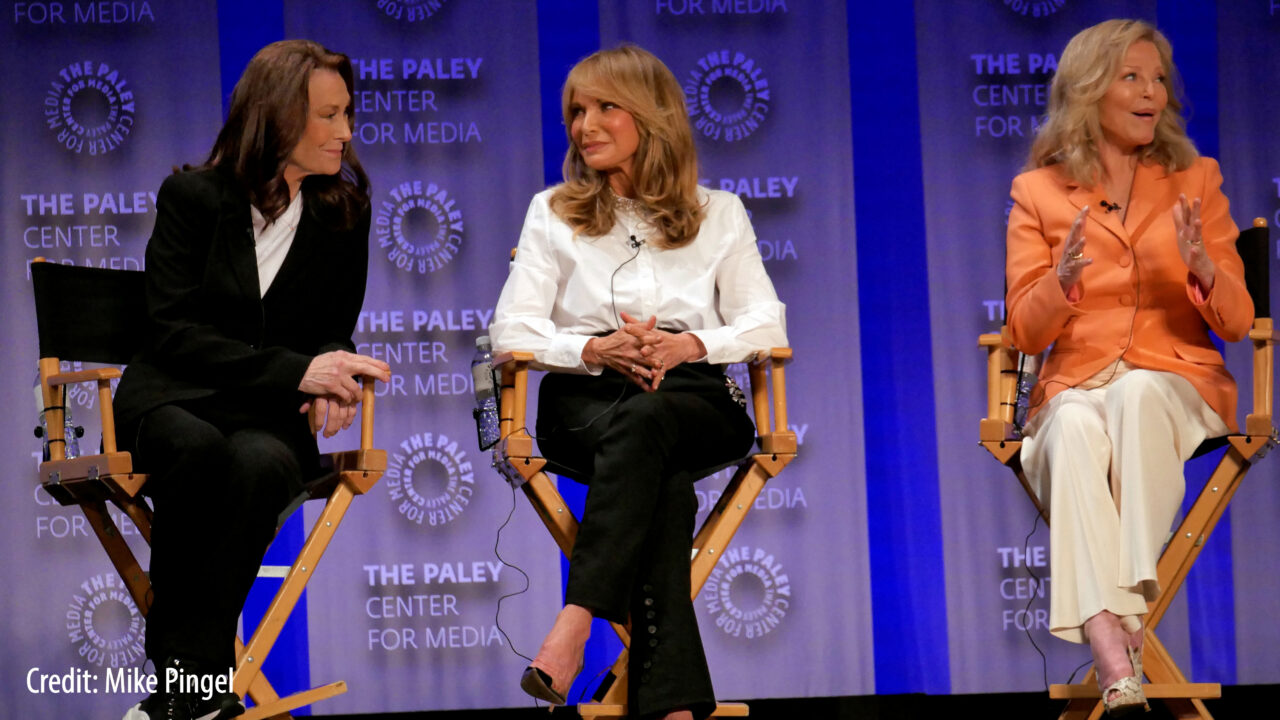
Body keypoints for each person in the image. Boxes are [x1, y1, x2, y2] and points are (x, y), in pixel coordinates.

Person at [491, 45, 786, 720]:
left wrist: (689, 344)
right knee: (665, 486)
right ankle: (674, 707)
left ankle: (574, 619)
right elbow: (511, 331)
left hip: (693, 399)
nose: (583, 125)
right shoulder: (553, 211)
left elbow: (766, 323)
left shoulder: (719, 213)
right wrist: (596, 347)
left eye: (604, 108)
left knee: (654, 426)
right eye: (576, 111)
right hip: (588, 404)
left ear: (653, 119)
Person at [112, 40, 391, 720]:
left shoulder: (342, 214)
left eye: (347, 113)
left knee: (262, 465)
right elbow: (172, 332)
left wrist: (333, 371)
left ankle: (183, 693)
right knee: (201, 451)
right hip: (173, 399)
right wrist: (302, 370)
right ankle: (201, 689)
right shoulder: (194, 198)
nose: (346, 132)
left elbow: (332, 327)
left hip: (266, 416)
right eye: (328, 116)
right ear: (275, 118)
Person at [1005, 19, 1252, 716]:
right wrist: (1060, 283)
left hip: (1176, 381)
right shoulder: (1038, 192)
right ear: (1089, 92)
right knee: (1076, 429)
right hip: (1074, 381)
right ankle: (1115, 646)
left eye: (1160, 79)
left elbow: (1236, 319)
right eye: (1132, 78)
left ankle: (1114, 628)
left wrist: (1206, 271)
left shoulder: (1196, 180)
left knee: (1140, 393)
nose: (1152, 93)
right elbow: (1024, 330)